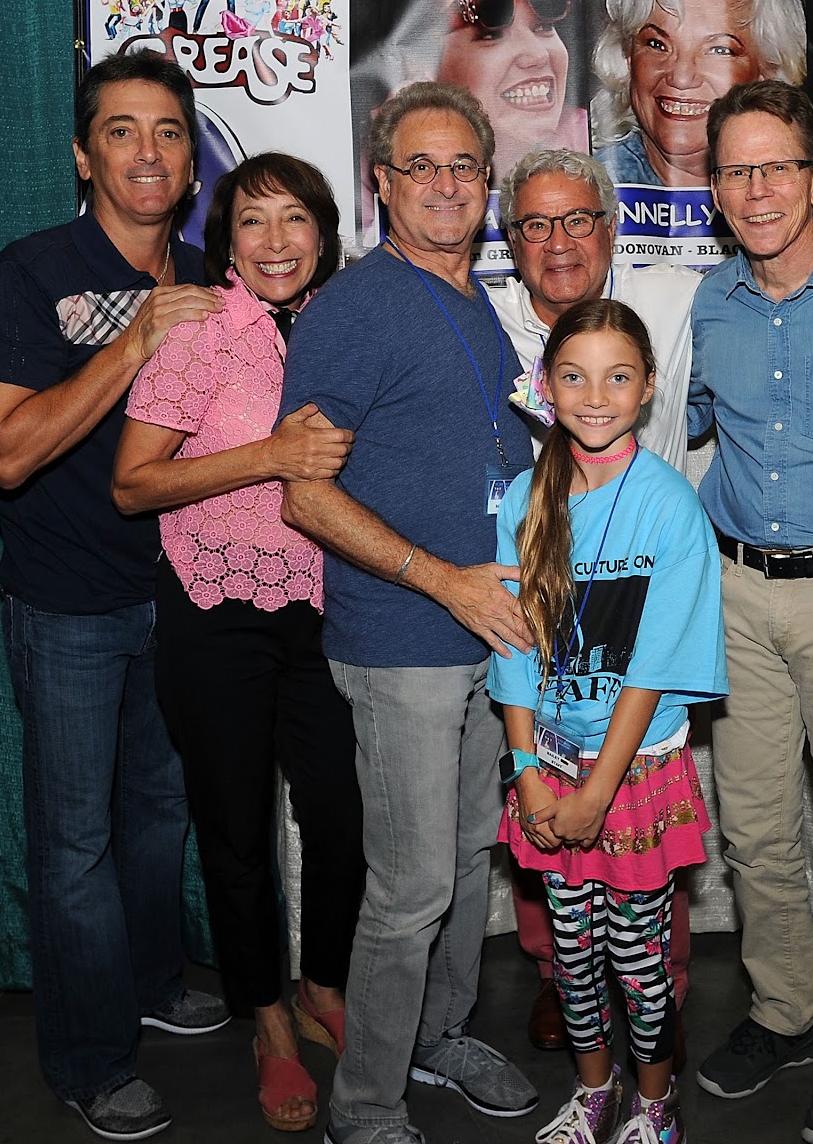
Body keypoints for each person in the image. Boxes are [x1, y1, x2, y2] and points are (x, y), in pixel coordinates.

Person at [0, 50, 229, 1141]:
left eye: (169, 130)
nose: (148, 152)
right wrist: (135, 341)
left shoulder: (216, 276)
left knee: (161, 816)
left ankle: (155, 982)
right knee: (74, 844)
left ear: (193, 160)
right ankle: (86, 1058)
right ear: (84, 154)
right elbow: (11, 454)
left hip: (179, 600)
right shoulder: (27, 274)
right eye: (121, 130)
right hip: (68, 605)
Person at [276, 80, 538, 1144]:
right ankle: (366, 1104)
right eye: (418, 166)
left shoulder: (481, 301)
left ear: (486, 185)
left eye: (462, 166)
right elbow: (305, 491)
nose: (443, 184)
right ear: (380, 185)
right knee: (413, 885)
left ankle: (440, 1033)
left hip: (493, 637)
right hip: (403, 642)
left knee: (473, 854)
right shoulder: (350, 308)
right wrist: (445, 580)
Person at [111, 154, 365, 1133]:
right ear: (226, 240)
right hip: (216, 611)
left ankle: (324, 983)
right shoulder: (201, 333)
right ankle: (267, 1019)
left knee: (343, 818)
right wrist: (267, 456)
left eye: (293, 220)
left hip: (330, 608)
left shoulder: (345, 327)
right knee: (236, 833)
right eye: (252, 223)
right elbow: (133, 484)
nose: (274, 242)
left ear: (323, 231)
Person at [688, 80, 813, 1144]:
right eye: (734, 170)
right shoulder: (709, 303)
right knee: (757, 829)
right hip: (733, 592)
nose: (756, 189)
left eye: (777, 167)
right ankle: (782, 1012)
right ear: (712, 189)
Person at [490, 298, 727, 1144]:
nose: (596, 395)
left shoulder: (670, 507)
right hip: (547, 776)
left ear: (649, 388)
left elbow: (655, 668)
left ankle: (655, 1106)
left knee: (639, 957)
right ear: (547, 386)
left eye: (618, 376)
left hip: (632, 777)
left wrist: (595, 789)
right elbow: (514, 651)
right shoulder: (525, 495)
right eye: (576, 375)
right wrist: (527, 774)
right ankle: (594, 1094)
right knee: (571, 955)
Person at [490, 148, 703, 1051]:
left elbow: (660, 652)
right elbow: (517, 631)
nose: (559, 240)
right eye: (536, 224)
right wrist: (529, 761)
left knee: (644, 916)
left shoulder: (670, 312)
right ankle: (564, 994)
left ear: (611, 230)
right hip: (551, 691)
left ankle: (659, 1015)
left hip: (638, 701)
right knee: (566, 909)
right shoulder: (488, 323)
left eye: (578, 219)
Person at [356, 0, 588, 177]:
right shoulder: (365, 176)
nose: (536, 55)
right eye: (492, 35)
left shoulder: (599, 143)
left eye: (544, 26)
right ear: (417, 62)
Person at [594, 0, 807, 189]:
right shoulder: (585, 200)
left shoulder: (803, 213)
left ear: (768, 70)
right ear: (626, 56)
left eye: (718, 50)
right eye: (657, 44)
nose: (681, 77)